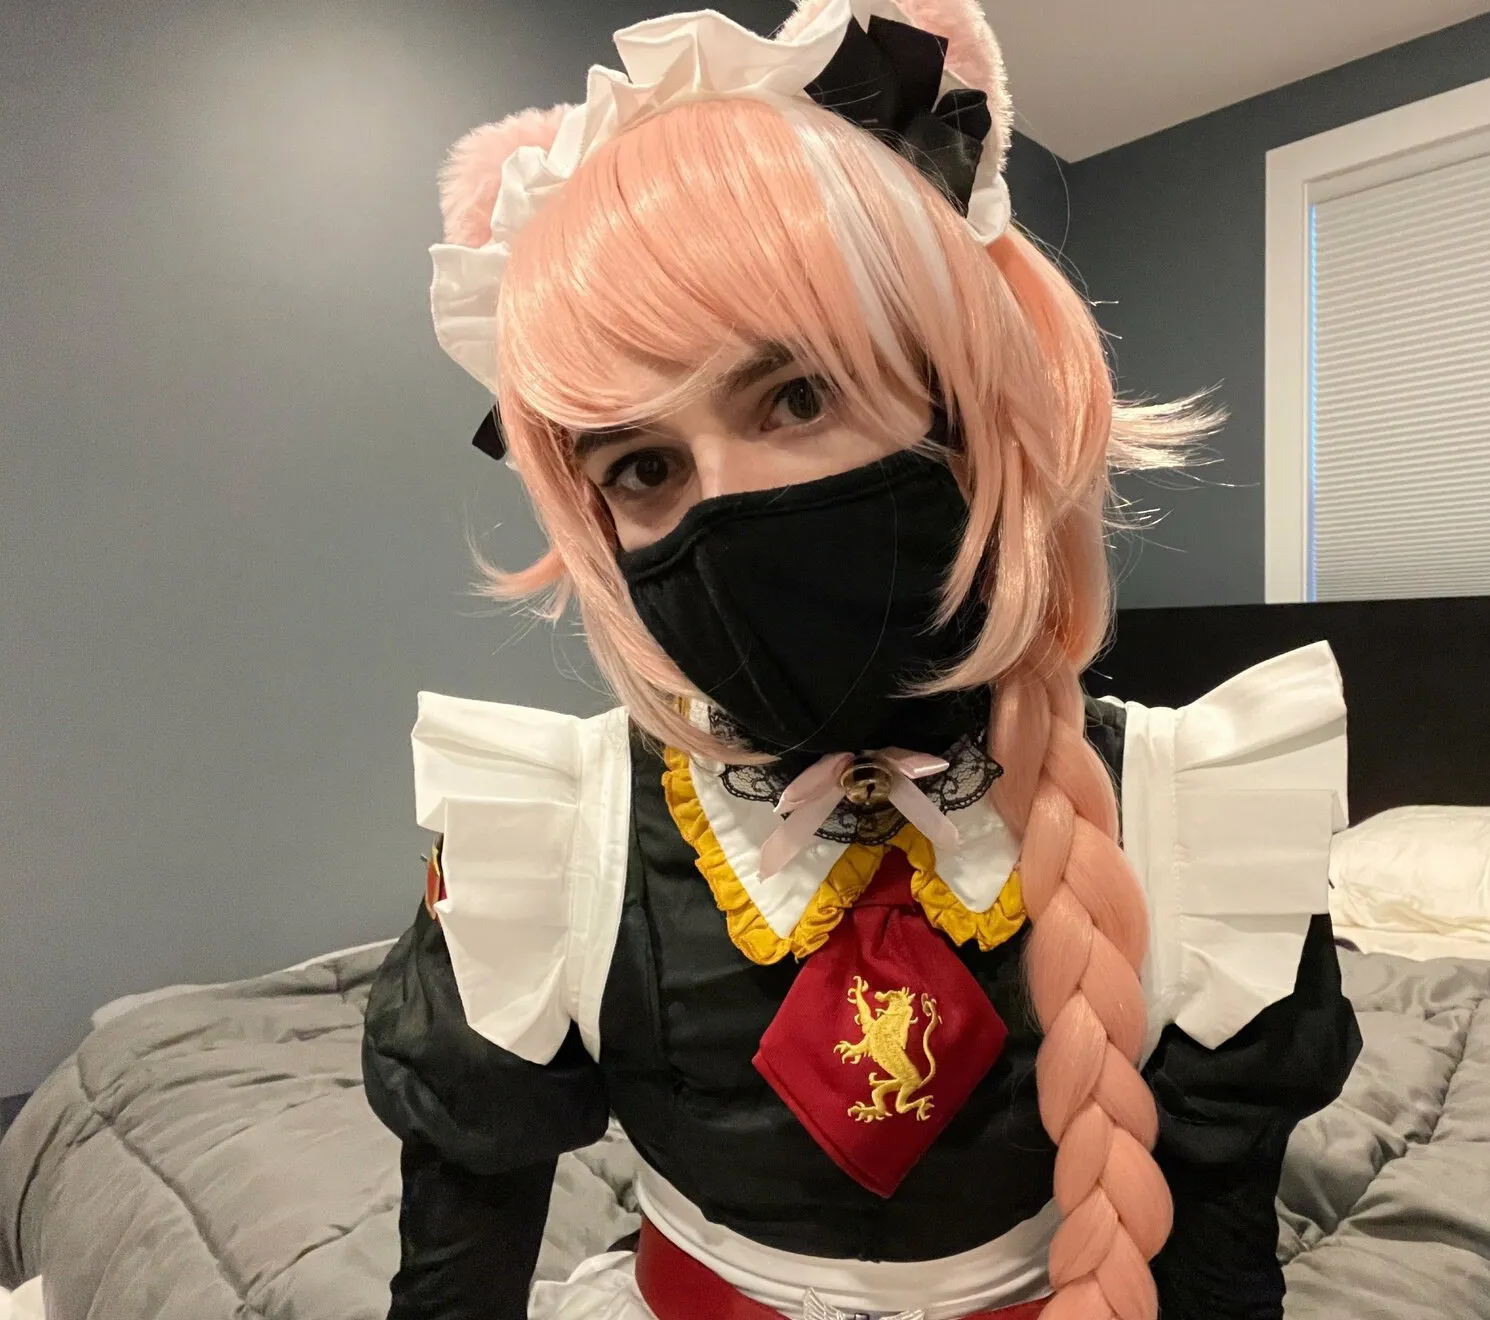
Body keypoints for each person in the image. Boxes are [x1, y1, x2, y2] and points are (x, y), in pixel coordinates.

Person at [360, 1, 1363, 1317]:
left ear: (960, 399)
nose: (726, 507)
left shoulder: (1188, 818)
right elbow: (459, 1258)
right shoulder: (556, 838)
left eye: (797, 395)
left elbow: (1218, 1265)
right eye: (645, 468)